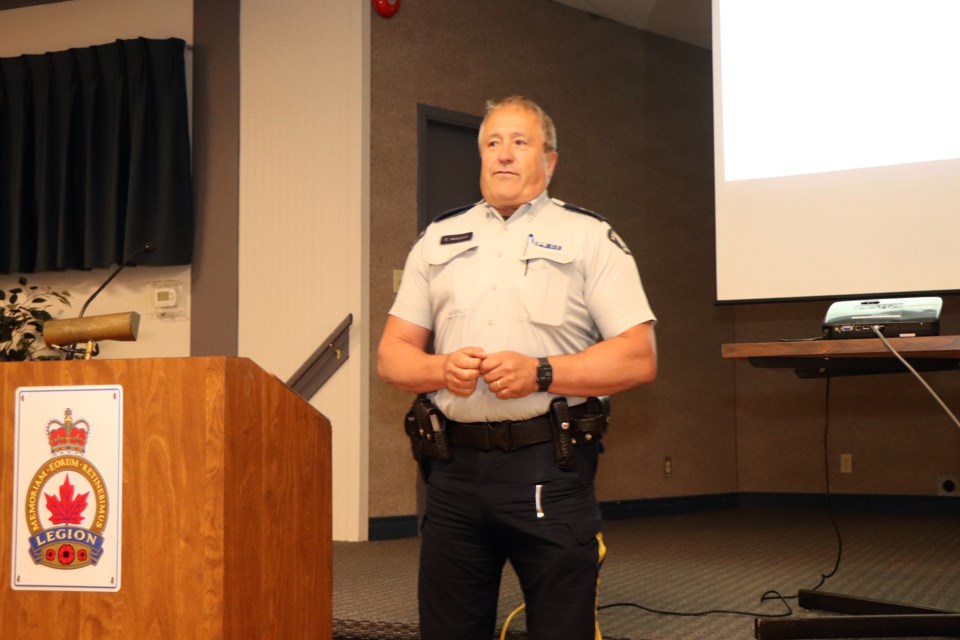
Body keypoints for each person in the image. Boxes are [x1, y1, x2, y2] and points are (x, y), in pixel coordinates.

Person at [378, 95, 657, 640]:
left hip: (547, 468)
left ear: (548, 161)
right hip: (451, 473)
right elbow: (392, 354)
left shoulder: (590, 238)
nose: (504, 154)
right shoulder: (437, 239)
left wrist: (542, 373)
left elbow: (638, 355)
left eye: (520, 142)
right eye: (492, 143)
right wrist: (440, 369)